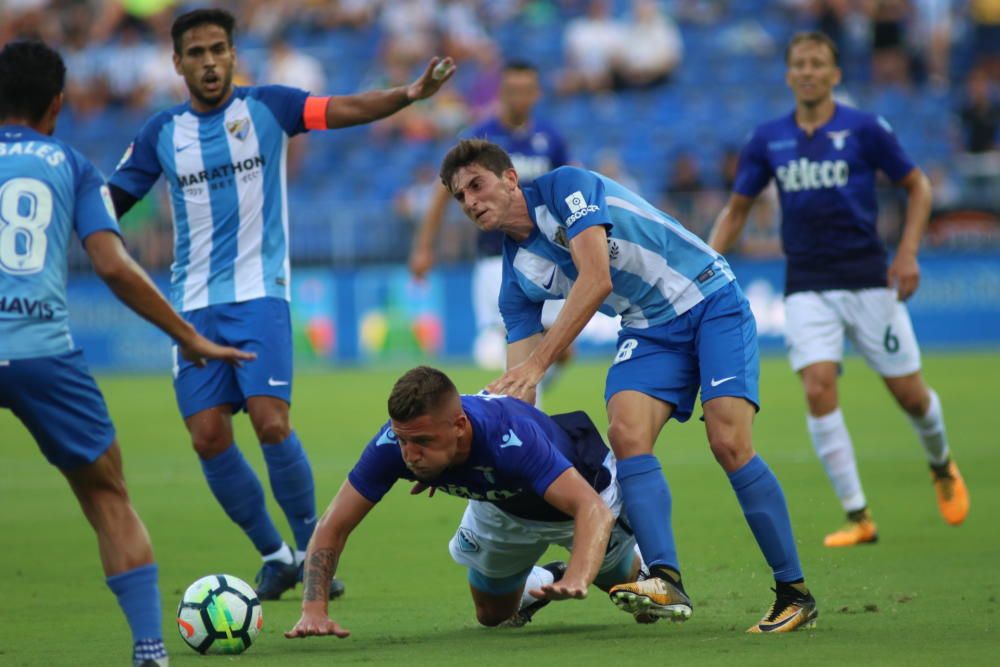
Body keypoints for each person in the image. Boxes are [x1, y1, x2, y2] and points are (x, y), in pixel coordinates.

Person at [107, 8, 455, 600]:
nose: (210, 61)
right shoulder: (160, 134)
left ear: (234, 54)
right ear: (178, 63)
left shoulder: (270, 107)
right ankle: (275, 555)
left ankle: (309, 546)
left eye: (219, 49)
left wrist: (408, 94)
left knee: (271, 422)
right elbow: (111, 201)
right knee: (208, 438)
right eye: (196, 53)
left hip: (260, 293)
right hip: (192, 303)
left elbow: (339, 110)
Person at [439, 139, 817, 633]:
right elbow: (517, 394)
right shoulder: (517, 278)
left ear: (510, 178)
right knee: (626, 434)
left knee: (728, 441)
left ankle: (794, 592)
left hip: (710, 297)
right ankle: (664, 579)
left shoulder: (565, 187)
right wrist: (474, 450)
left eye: (477, 185)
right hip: (648, 328)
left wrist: (538, 365)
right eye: (459, 196)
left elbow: (594, 279)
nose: (469, 201)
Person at [0, 40, 253, 667]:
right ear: (57, 104)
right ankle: (149, 652)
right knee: (107, 495)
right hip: (40, 349)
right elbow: (112, 265)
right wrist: (187, 335)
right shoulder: (69, 163)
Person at [708, 31, 969, 548]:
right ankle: (858, 515)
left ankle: (941, 463)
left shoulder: (865, 129)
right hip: (806, 283)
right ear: (788, 75)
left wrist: (909, 253)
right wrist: (707, 267)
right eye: (799, 63)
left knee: (911, 397)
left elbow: (918, 186)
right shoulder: (768, 140)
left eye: (817, 63)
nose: (807, 71)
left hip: (870, 279)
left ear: (835, 74)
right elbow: (737, 210)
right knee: (818, 387)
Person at [285, 366, 646, 638]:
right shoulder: (395, 445)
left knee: (634, 596)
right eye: (402, 440)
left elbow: (591, 510)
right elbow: (334, 525)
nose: (409, 455)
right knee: (491, 615)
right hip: (500, 506)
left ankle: (641, 567)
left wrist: (579, 576)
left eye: (422, 442)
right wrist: (314, 608)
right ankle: (546, 577)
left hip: (576, 501)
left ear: (459, 426)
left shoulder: (510, 440)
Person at [409, 61, 572, 376]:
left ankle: (524, 390)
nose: (519, 98)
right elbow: (442, 192)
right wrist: (423, 247)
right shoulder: (481, 139)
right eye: (512, 90)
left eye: (526, 90)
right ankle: (522, 412)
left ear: (536, 94)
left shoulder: (551, 139)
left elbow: (568, 187)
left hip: (546, 253)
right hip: (497, 257)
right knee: (518, 341)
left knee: (561, 350)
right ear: (501, 92)